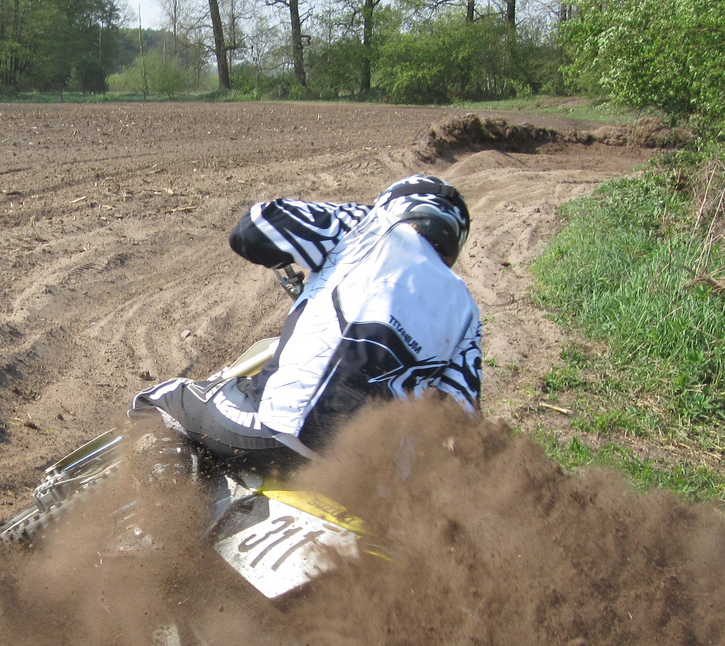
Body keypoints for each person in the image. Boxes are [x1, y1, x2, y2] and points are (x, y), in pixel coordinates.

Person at [132, 174, 481, 469]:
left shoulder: (366, 225)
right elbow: (459, 418)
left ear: (395, 206)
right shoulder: (466, 311)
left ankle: (164, 520)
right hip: (363, 477)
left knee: (162, 400)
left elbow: (253, 229)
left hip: (275, 428)